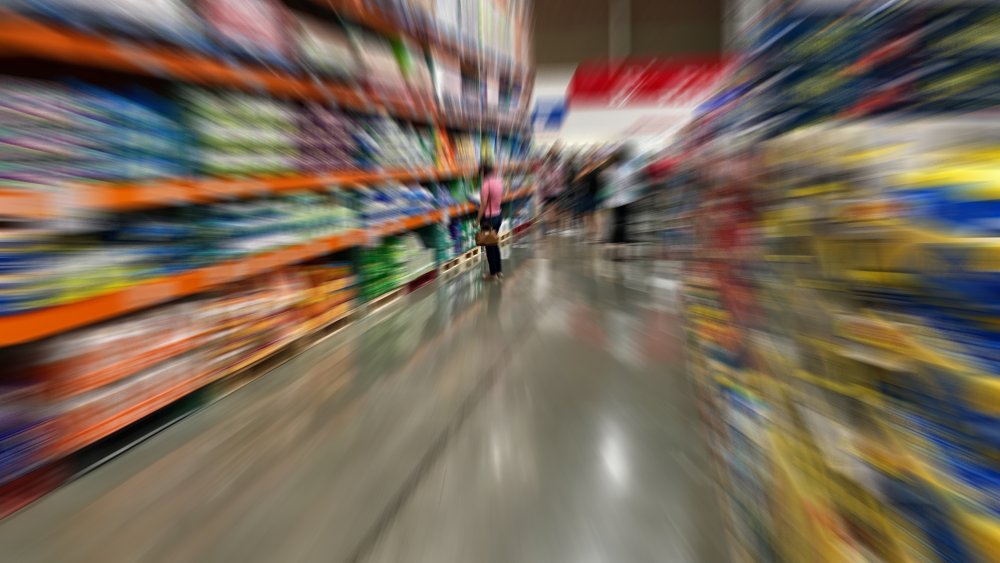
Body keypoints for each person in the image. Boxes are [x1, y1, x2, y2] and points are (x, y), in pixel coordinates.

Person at [478, 160, 504, 280]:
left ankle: (492, 274)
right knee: (494, 243)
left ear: (483, 172)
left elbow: (483, 205)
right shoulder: (499, 181)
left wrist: (477, 220)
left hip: (489, 218)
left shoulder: (485, 184)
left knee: (489, 246)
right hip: (498, 215)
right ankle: (499, 271)